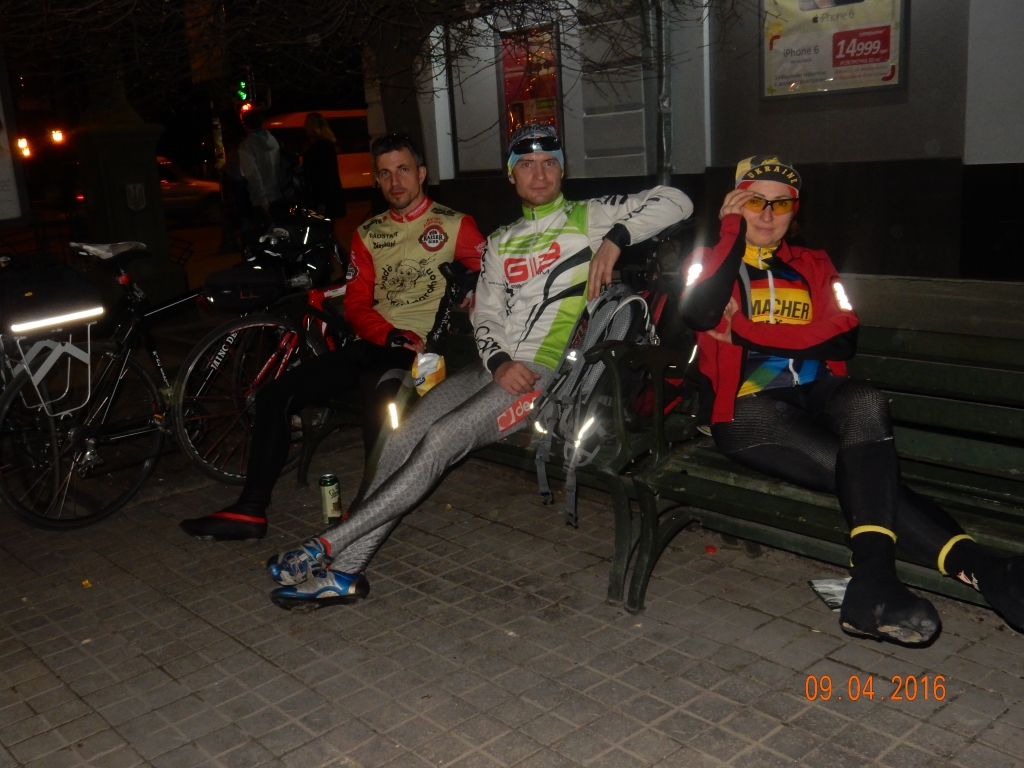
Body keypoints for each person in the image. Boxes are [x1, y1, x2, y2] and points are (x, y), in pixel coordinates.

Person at [263, 122, 694, 610]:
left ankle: (326, 547)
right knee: (400, 438)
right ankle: (345, 573)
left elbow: (677, 201)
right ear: (511, 176)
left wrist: (616, 238)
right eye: (526, 165)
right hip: (498, 366)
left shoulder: (588, 216)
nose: (539, 174)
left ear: (561, 170)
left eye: (549, 164)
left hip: (542, 375)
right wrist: (499, 360)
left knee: (441, 439)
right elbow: (486, 315)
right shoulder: (502, 240)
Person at [680, 155, 1024, 644]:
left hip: (816, 393)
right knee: (857, 470)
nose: (768, 214)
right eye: (754, 202)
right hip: (750, 408)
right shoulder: (709, 260)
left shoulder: (814, 264)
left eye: (781, 204)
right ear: (734, 205)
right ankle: (986, 570)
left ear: (794, 212)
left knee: (864, 399)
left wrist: (746, 329)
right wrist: (731, 234)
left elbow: (842, 338)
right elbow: (699, 312)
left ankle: (872, 583)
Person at [179, 134, 486, 541]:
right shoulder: (369, 232)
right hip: (378, 341)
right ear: (376, 180)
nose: (395, 182)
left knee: (379, 391)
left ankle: (366, 511)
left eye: (403, 170)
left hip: (421, 351)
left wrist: (471, 295)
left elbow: (492, 280)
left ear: (422, 174)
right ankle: (250, 510)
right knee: (273, 395)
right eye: (385, 174)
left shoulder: (456, 224)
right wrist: (387, 333)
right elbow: (356, 305)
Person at [237, 110, 286, 235]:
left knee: (263, 237)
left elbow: (253, 175)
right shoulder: (273, 140)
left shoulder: (246, 146)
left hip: (260, 201)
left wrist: (263, 201)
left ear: (245, 125)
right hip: (278, 196)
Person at [302, 113, 346, 220]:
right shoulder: (320, 145)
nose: (304, 127)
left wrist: (322, 200)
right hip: (321, 197)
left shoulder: (322, 147)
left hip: (322, 199)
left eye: (308, 124)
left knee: (323, 225)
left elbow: (324, 175)